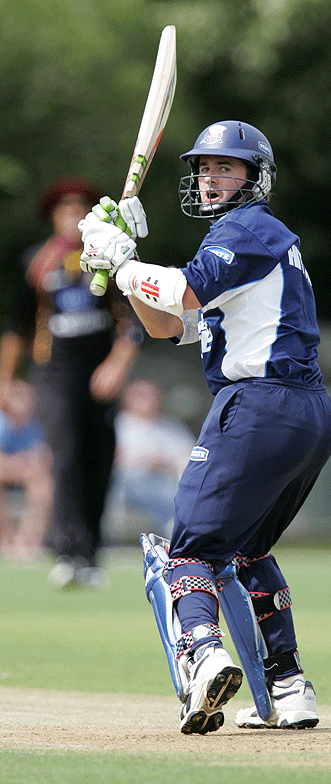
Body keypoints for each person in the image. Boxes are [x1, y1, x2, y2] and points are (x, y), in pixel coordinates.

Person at [79, 121, 331, 733]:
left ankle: (204, 655)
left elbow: (186, 291)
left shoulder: (249, 229)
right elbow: (168, 325)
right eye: (204, 168)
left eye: (226, 167)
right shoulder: (247, 243)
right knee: (248, 551)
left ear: (255, 176)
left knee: (187, 549)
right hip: (307, 415)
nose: (210, 178)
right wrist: (124, 266)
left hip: (259, 406)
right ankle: (288, 685)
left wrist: (121, 259)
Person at [0, 177, 143, 589]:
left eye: (81, 209)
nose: (73, 216)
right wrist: (7, 382)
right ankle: (67, 553)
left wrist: (116, 366)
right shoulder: (38, 262)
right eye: (65, 210)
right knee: (64, 456)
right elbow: (16, 327)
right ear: (53, 216)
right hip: (54, 374)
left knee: (99, 459)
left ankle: (91, 553)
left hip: (100, 375)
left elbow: (132, 323)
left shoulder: (110, 257)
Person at [110, 378, 195, 538]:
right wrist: (146, 462)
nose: (151, 401)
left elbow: (191, 457)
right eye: (143, 396)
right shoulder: (120, 426)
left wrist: (167, 463)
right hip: (132, 484)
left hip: (171, 482)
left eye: (154, 396)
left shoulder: (171, 426)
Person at [0, 379, 53, 560]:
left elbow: (43, 456)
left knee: (43, 484)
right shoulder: (2, 423)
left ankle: (28, 540)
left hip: (25, 474)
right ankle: (5, 539)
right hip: (6, 473)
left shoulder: (36, 426)